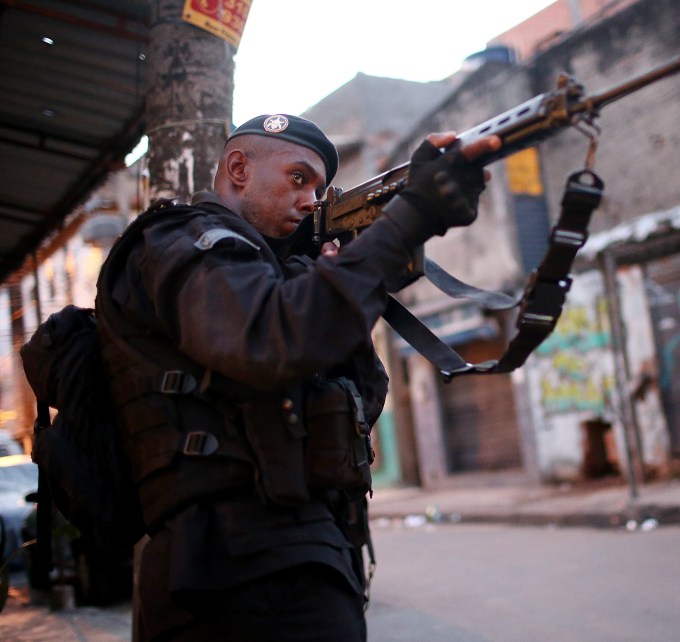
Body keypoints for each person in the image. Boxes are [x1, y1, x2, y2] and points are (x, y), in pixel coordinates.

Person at [94, 113, 500, 641]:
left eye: (320, 188)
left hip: (298, 555)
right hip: (230, 569)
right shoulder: (181, 241)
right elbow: (267, 341)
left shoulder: (273, 272)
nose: (312, 200)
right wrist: (409, 217)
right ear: (238, 168)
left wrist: (345, 276)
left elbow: (358, 401)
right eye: (298, 178)